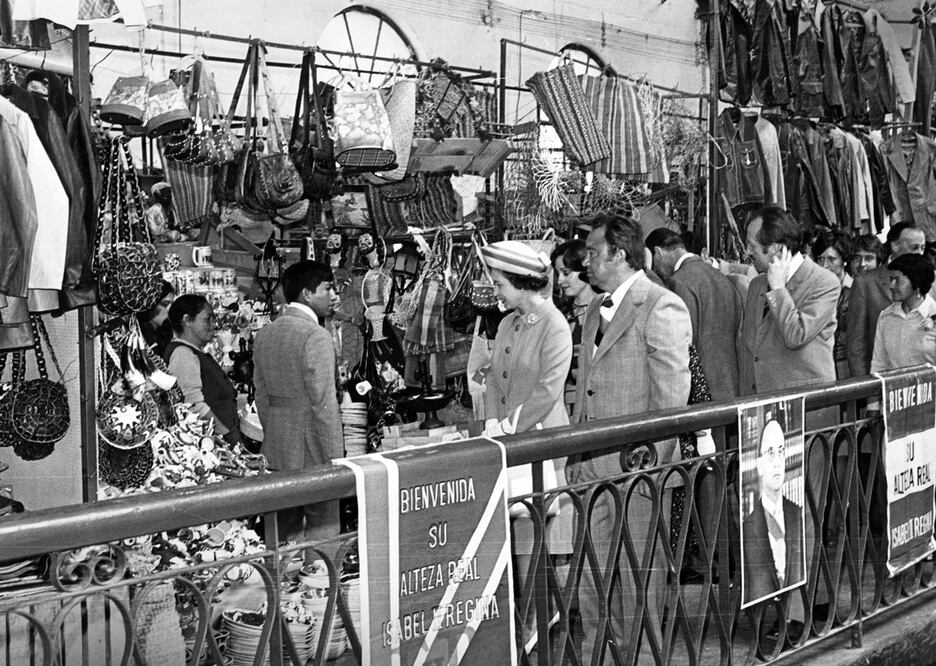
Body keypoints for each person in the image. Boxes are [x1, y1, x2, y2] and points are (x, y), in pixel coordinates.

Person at [566, 214, 691, 664]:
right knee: (592, 579)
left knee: (640, 580)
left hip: (637, 472)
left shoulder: (661, 305)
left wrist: (649, 465)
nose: (586, 262)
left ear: (619, 254)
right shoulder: (593, 311)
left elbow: (671, 395)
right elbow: (586, 386)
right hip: (591, 469)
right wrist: (575, 453)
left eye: (593, 252)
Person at [479, 240, 573, 654]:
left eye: (500, 283)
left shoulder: (554, 325)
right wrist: (491, 424)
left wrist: (509, 427)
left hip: (541, 444)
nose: (496, 291)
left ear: (521, 282)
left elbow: (549, 390)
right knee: (519, 535)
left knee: (538, 534)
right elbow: (492, 377)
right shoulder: (507, 324)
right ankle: (529, 621)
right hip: (509, 443)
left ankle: (540, 620)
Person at [252, 260, 343, 549]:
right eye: (327, 289)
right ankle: (320, 578)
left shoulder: (265, 333)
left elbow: (260, 396)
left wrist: (275, 431)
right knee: (323, 531)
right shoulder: (316, 335)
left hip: (276, 445)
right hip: (313, 446)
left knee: (281, 536)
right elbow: (324, 402)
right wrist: (335, 457)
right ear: (307, 293)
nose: (333, 296)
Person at [740, 207, 840, 397]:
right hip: (760, 402)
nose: (747, 252)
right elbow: (749, 349)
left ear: (775, 248)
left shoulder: (824, 282)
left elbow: (796, 336)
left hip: (805, 403)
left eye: (752, 245)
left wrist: (778, 289)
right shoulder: (756, 284)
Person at [645, 226, 741, 401]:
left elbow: (684, 345)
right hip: (730, 385)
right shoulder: (723, 278)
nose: (657, 271)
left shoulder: (679, 282)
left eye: (655, 265)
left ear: (658, 253)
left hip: (702, 391)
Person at [846, 222, 926, 377]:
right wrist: (865, 386)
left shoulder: (932, 281)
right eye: (914, 248)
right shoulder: (865, 283)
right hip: (882, 378)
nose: (919, 254)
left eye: (922, 248)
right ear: (895, 246)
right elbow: (856, 344)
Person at [742, 419, 805, 606]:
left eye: (781, 452)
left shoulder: (796, 513)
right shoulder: (749, 525)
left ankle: (792, 616)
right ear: (759, 465)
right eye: (770, 453)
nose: (777, 462)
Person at [164, 294, 241, 445]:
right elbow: (193, 404)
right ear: (187, 320)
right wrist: (227, 434)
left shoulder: (192, 352)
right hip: (209, 443)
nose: (214, 324)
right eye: (208, 319)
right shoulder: (183, 354)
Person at [870, 253, 936, 373]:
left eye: (897, 280)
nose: (892, 286)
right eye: (891, 279)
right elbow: (879, 363)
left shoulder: (933, 313)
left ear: (917, 282)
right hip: (894, 384)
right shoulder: (886, 317)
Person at [813, 229, 854, 379]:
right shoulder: (813, 290)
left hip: (846, 363)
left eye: (831, 259)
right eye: (820, 259)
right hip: (820, 362)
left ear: (844, 260)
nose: (824, 265)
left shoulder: (854, 290)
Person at [138, 280, 175, 358]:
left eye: (172, 305)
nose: (170, 310)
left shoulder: (164, 333)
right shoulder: (139, 337)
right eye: (165, 304)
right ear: (150, 305)